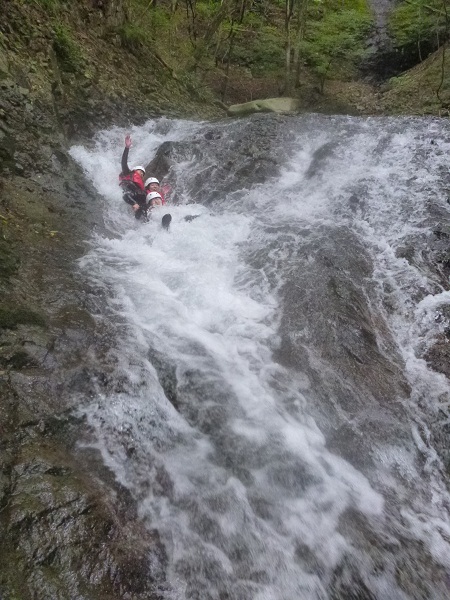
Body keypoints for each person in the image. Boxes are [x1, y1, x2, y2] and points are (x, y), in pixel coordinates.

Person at [119, 134, 147, 219]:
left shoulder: (141, 186)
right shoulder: (128, 173)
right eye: (140, 171)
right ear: (134, 170)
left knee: (143, 205)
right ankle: (135, 205)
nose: (141, 174)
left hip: (137, 195)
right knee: (128, 195)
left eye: (143, 173)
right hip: (128, 191)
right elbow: (123, 162)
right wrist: (127, 148)